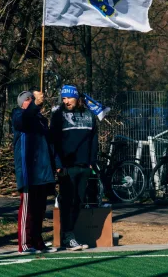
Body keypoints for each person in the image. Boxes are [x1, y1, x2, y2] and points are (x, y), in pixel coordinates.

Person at [12, 89, 61, 254]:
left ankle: (38, 242)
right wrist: (35, 105)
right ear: (24, 102)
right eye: (30, 100)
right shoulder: (18, 115)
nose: (33, 102)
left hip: (43, 171)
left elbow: (50, 144)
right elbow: (24, 121)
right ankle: (24, 244)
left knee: (40, 209)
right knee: (27, 208)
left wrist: (57, 164)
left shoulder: (41, 120)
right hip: (28, 171)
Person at [50, 84, 98, 251]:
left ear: (77, 98)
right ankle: (68, 236)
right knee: (67, 201)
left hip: (84, 165)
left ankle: (69, 236)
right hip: (66, 167)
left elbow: (94, 139)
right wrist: (57, 165)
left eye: (69, 97)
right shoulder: (58, 116)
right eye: (63, 98)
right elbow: (53, 142)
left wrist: (92, 161)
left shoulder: (89, 115)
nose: (66, 101)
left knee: (78, 201)